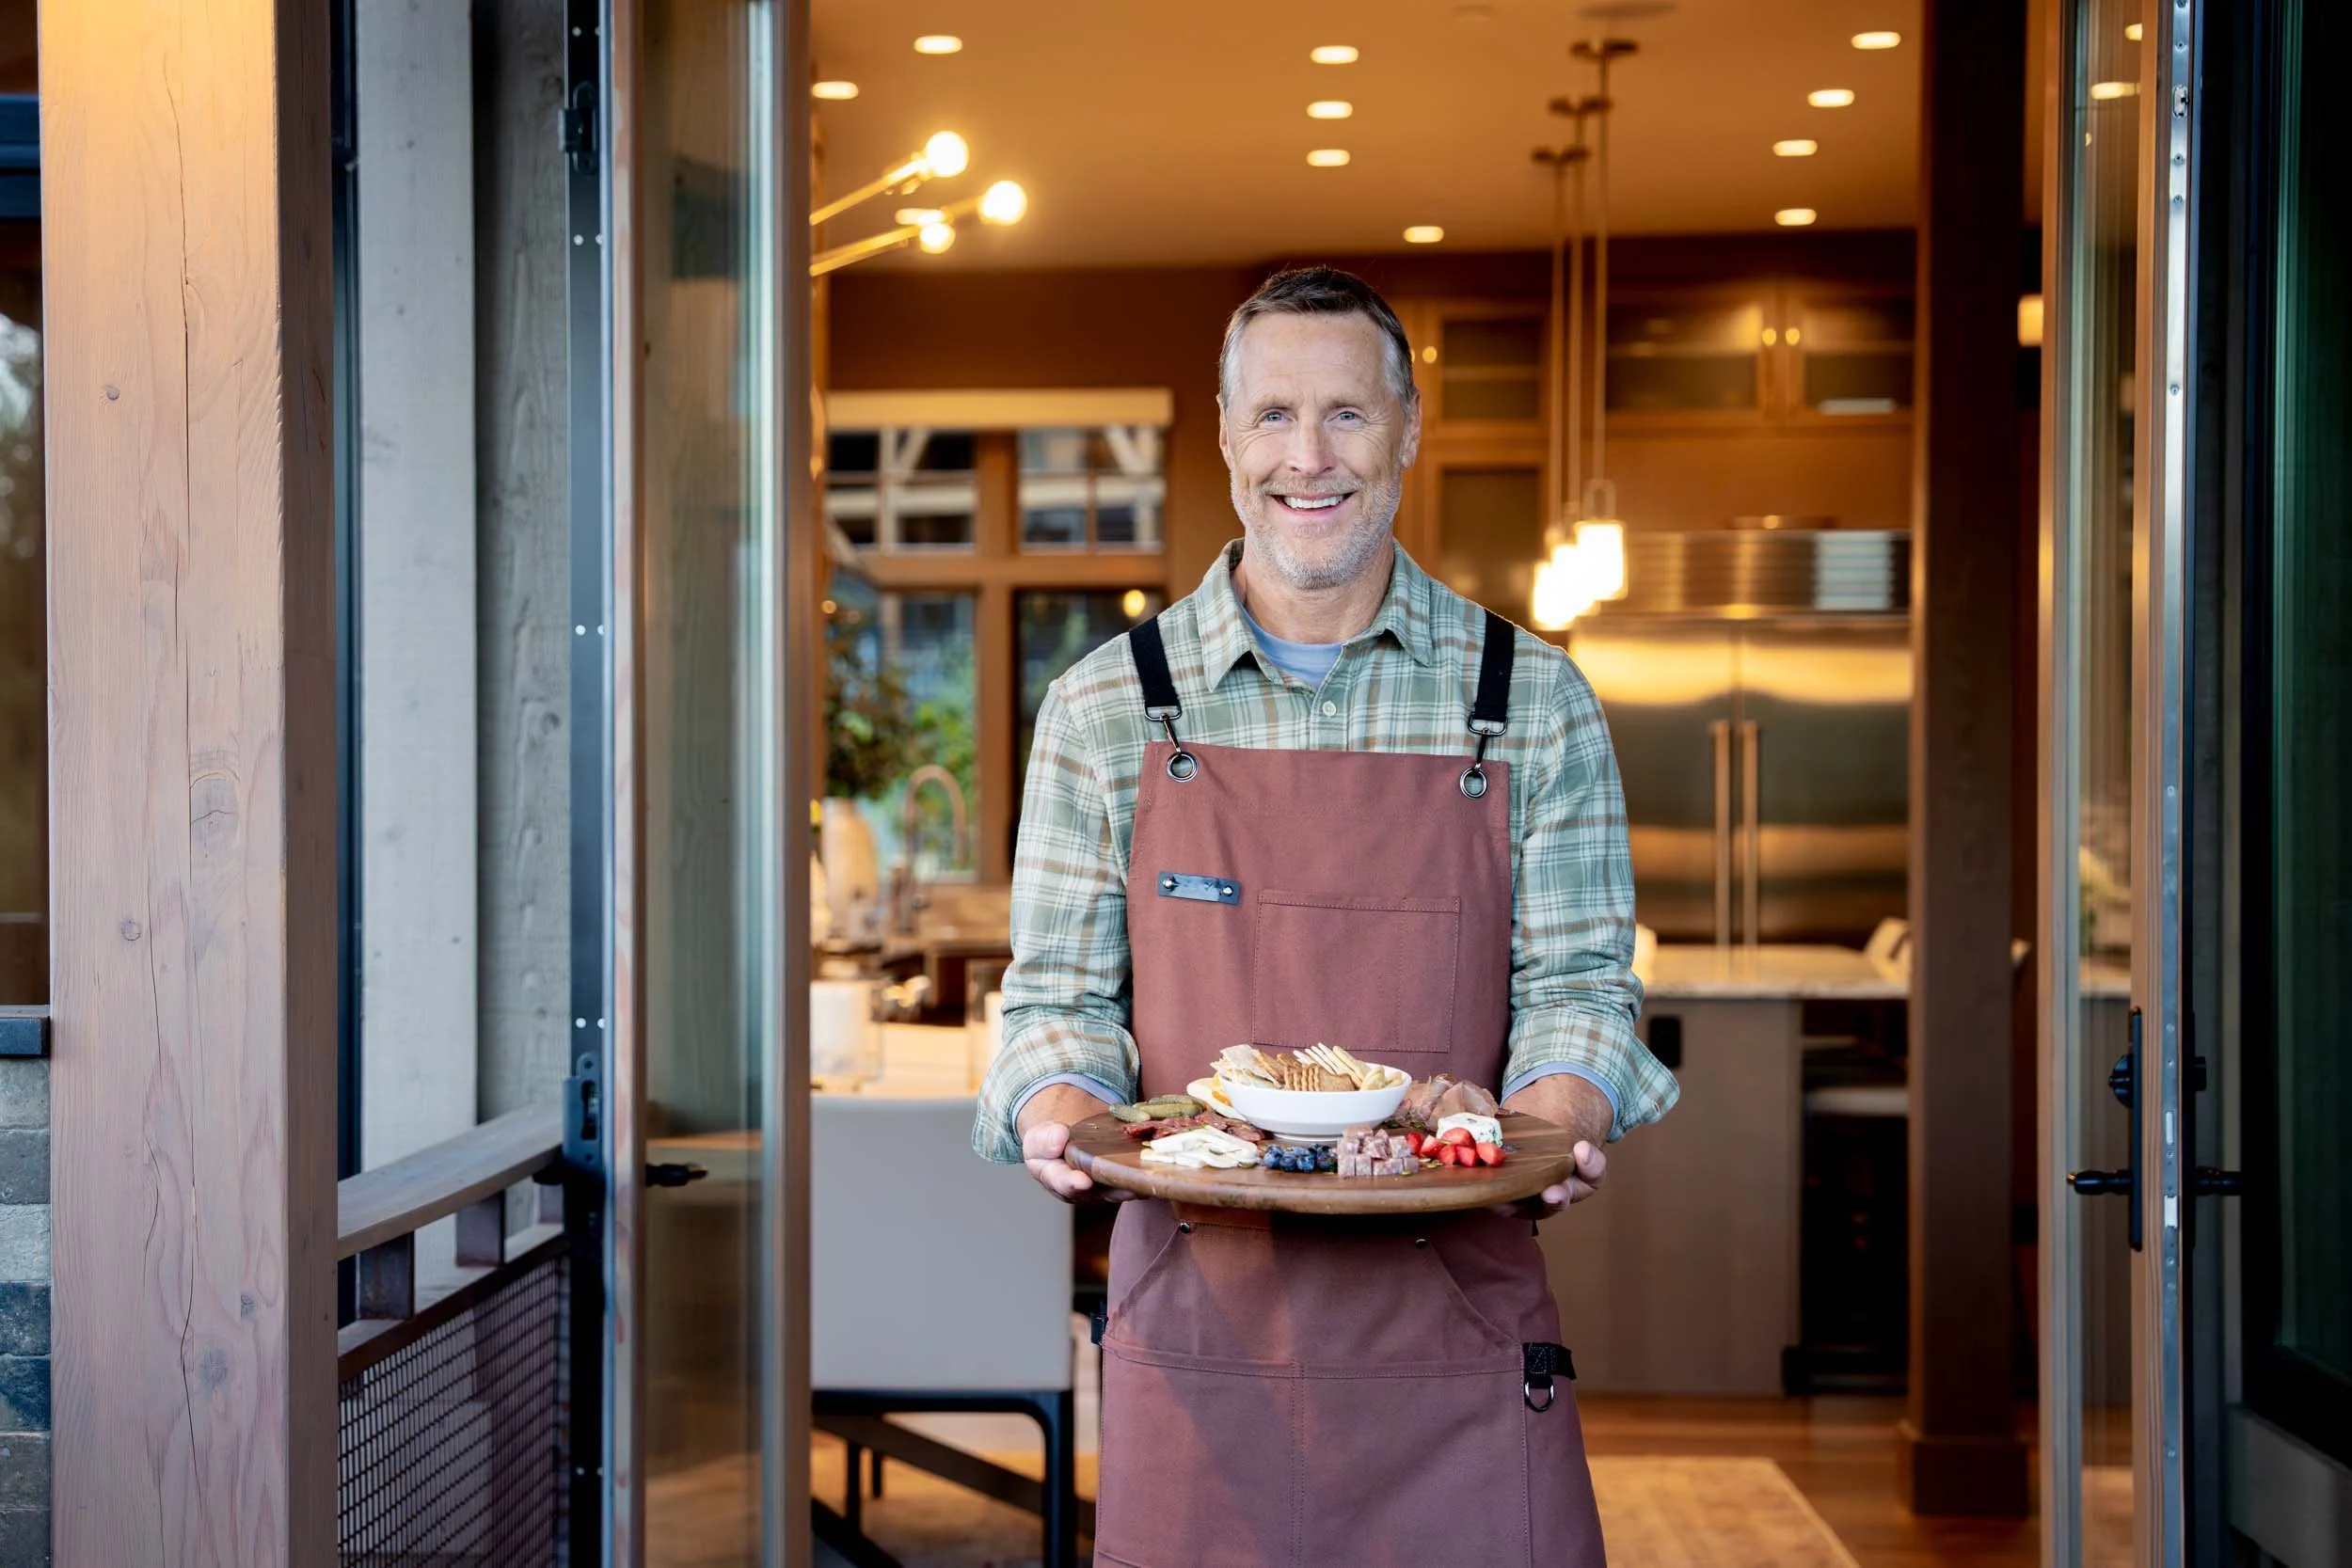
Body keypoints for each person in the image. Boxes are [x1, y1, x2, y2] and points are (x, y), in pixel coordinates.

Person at [973, 266, 1677, 1566]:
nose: (1312, 456)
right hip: (1201, 1334)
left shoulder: (1532, 701)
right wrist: (1056, 1108)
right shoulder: (1104, 709)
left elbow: (1583, 985)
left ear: (1409, 428)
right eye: (1278, 416)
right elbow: (1058, 1003)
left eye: (1349, 415)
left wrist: (1561, 1106)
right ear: (1230, 434)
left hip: (1459, 1330)